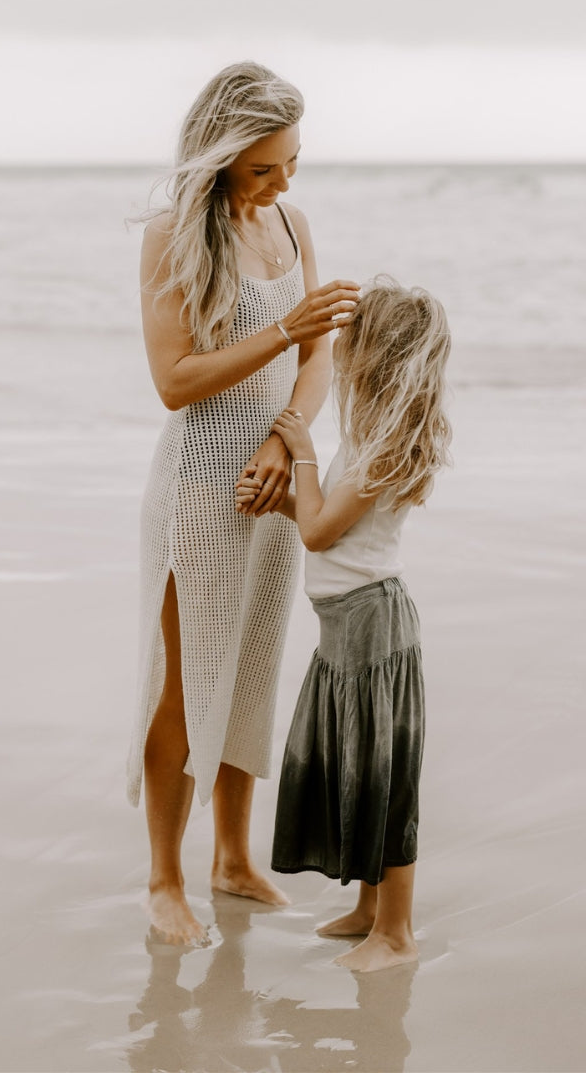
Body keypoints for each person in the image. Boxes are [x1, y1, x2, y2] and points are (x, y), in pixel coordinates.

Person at [126, 61, 360, 946]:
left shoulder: (293, 223)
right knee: (184, 690)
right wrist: (284, 330)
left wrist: (285, 438)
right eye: (263, 169)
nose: (281, 183)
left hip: (271, 481)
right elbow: (174, 383)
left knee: (254, 671)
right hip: (194, 484)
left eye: (290, 162)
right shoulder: (174, 237)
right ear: (220, 158)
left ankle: (231, 858)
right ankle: (162, 878)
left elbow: (317, 359)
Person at [237, 278, 451, 972]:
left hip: (370, 629)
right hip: (347, 627)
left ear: (376, 358)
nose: (342, 359)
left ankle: (396, 933)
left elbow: (323, 533)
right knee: (358, 768)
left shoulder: (383, 448)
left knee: (383, 778)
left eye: (350, 347)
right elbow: (327, 522)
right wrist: (281, 504)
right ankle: (368, 910)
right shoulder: (371, 438)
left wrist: (298, 451)